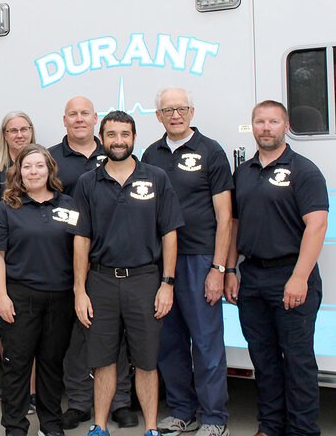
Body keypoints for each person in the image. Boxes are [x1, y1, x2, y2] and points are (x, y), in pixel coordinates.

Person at [71, 111, 183, 436]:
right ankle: (99, 426)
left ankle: (151, 429)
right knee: (103, 361)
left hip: (146, 280)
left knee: (147, 362)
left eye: (124, 134)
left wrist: (167, 283)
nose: (118, 141)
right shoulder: (87, 182)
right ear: (101, 138)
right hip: (101, 281)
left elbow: (170, 234)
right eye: (111, 135)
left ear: (134, 137)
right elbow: (81, 239)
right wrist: (80, 289)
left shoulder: (156, 177)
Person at [224, 100, 328, 436]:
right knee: (264, 360)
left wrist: (299, 278)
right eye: (259, 122)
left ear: (285, 126)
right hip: (252, 277)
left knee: (297, 362)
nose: (265, 128)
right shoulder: (243, 173)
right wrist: (230, 270)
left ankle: (301, 430)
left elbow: (317, 226)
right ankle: (270, 426)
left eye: (273, 122)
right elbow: (235, 225)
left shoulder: (304, 170)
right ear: (251, 126)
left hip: (291, 277)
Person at [142, 88, 233, 436]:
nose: (175, 115)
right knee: (169, 341)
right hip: (162, 263)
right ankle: (181, 411)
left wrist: (219, 268)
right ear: (159, 117)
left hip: (200, 260)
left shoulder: (212, 152)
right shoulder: (150, 154)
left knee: (207, 343)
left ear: (192, 112)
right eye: (168, 110)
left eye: (181, 109)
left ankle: (213, 418)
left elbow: (225, 217)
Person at [50, 97, 135, 430]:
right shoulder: (52, 159)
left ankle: (121, 401)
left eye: (85, 113)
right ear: (65, 120)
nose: (79, 119)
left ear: (95, 119)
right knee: (78, 335)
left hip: (110, 260)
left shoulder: (117, 152)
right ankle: (80, 401)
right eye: (73, 114)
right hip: (64, 259)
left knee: (118, 334)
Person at [0, 144, 78, 436]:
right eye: (27, 167)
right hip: (19, 298)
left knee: (52, 365)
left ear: (50, 169)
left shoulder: (69, 206)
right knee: (17, 367)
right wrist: (1, 296)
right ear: (19, 172)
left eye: (39, 166)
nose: (33, 172)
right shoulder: (6, 208)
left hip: (60, 298)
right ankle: (15, 426)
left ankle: (51, 425)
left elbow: (80, 252)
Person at [0, 111, 37, 404]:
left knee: (37, 332)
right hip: (0, 261)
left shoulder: (42, 166)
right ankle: (14, 387)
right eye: (12, 130)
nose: (19, 135)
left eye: (24, 129)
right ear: (4, 135)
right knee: (6, 327)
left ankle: (35, 390)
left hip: (34, 262)